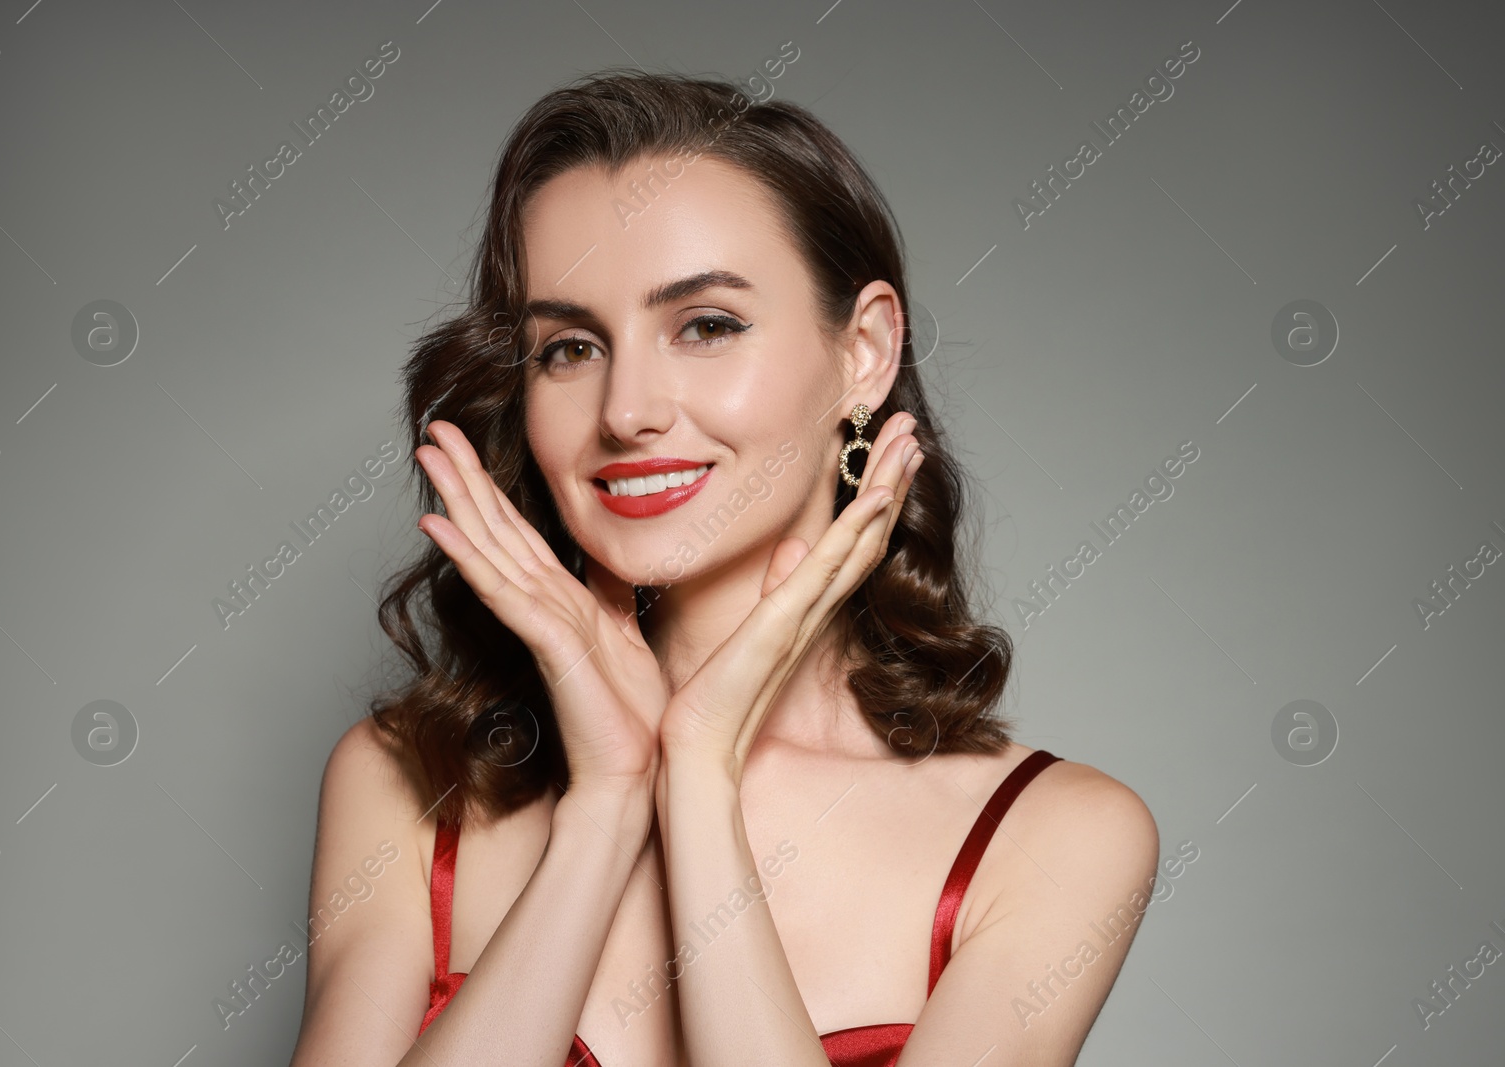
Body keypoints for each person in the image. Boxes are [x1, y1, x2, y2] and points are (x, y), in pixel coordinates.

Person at [289, 70, 1159, 1067]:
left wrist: (697, 769)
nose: (626, 410)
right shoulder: (402, 783)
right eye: (568, 347)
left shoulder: (1056, 837)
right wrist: (607, 804)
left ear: (863, 351)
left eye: (706, 325)